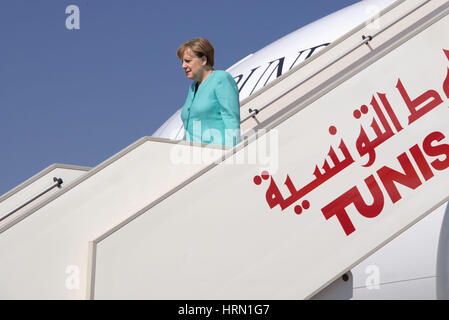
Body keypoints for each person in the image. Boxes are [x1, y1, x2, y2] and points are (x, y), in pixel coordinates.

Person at [177, 38, 241, 147]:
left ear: (203, 60)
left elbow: (231, 121)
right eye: (182, 62)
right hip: (191, 157)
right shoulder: (193, 88)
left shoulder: (221, 78)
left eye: (188, 61)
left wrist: (230, 155)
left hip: (215, 155)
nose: (183, 66)